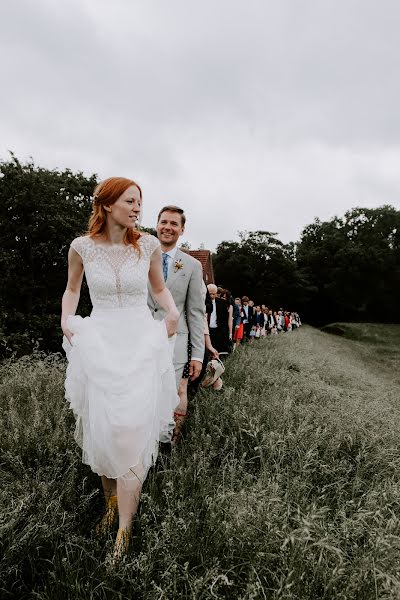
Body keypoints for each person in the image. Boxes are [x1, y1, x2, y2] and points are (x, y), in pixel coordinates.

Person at [61, 177, 180, 562]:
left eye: (139, 203)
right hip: (101, 342)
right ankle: (109, 504)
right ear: (108, 204)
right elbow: (73, 289)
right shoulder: (81, 247)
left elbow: (159, 289)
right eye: (130, 201)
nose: (137, 208)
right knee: (105, 425)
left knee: (130, 430)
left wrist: (172, 313)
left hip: (138, 343)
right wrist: (66, 318)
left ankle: (124, 530)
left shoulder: (146, 246)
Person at [148, 205, 205, 443]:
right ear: (156, 225)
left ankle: (170, 441)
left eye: (174, 224)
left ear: (182, 230)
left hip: (176, 344)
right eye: (164, 222)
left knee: (171, 395)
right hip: (141, 338)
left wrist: (198, 355)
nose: (168, 227)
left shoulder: (192, 265)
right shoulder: (140, 257)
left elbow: (195, 312)